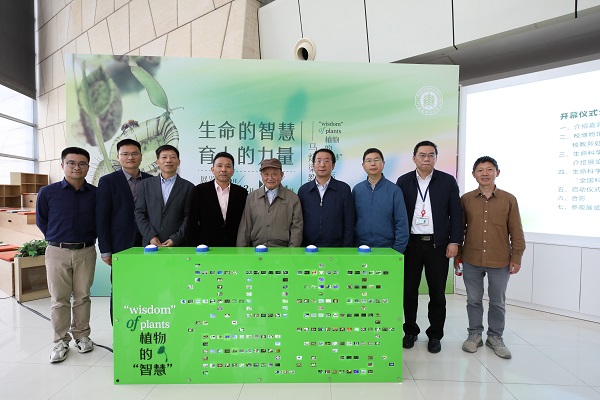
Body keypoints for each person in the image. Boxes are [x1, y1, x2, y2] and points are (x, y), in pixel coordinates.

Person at [396, 140, 462, 353]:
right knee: (409, 292)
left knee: (437, 293)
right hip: (410, 245)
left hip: (438, 245)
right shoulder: (403, 181)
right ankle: (410, 331)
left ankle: (435, 334)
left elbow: (456, 214)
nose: (426, 159)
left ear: (435, 158)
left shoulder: (447, 181)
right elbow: (397, 214)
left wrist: (454, 241)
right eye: (422, 155)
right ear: (414, 158)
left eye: (431, 155)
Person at [457, 156, 526, 359]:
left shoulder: (509, 199)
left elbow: (516, 231)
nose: (485, 173)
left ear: (497, 172)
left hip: (500, 260)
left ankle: (495, 337)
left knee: (497, 302)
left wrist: (517, 257)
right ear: (473, 174)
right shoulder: (466, 199)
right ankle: (474, 335)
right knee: (473, 300)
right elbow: (459, 230)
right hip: (471, 258)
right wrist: (458, 256)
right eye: (480, 170)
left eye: (489, 169)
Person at [36, 147, 97, 363]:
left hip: (86, 250)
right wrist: (57, 238)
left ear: (88, 167)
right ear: (62, 165)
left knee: (82, 296)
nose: (76, 167)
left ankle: (82, 335)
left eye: (82, 164)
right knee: (59, 299)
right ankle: (60, 340)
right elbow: (42, 221)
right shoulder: (47, 192)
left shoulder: (95, 193)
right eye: (71, 163)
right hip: (57, 251)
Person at [96, 139, 152, 324]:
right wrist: (105, 250)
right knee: (120, 288)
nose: (130, 157)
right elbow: (102, 218)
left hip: (147, 244)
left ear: (141, 156)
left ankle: (143, 324)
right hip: (120, 245)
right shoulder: (108, 181)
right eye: (125, 154)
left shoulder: (151, 180)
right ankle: (119, 329)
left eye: (134, 153)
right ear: (118, 157)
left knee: (146, 286)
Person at [135, 145, 193, 247]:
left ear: (178, 162)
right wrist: (151, 236)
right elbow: (140, 213)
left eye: (173, 157)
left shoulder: (188, 187)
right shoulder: (145, 185)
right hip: (151, 244)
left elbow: (189, 217)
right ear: (157, 162)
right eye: (164, 157)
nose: (168, 160)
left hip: (179, 245)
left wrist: (176, 238)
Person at [185, 152, 248, 246]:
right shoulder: (199, 191)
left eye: (228, 166)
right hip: (206, 247)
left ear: (233, 171)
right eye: (219, 166)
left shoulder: (241, 193)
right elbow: (191, 221)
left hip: (234, 246)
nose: (223, 170)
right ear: (212, 169)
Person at [352, 148, 409, 254]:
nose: (373, 164)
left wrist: (398, 249)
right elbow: (351, 220)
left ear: (383, 163)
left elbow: (401, 222)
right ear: (363, 165)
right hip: (360, 247)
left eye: (377, 160)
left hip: (388, 248)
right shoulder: (357, 190)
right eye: (369, 160)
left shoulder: (394, 190)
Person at [236, 158, 303, 247]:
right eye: (266, 174)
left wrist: (292, 252)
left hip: (283, 251)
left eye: (274, 174)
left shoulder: (293, 198)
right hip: (256, 250)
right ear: (261, 175)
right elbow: (245, 227)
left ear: (282, 175)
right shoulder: (251, 197)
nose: (270, 178)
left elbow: (297, 228)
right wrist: (242, 252)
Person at [297, 148, 355, 247]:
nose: (322, 165)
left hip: (336, 247)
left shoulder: (343, 189)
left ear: (333, 165)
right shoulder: (304, 190)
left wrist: (346, 247)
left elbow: (349, 221)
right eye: (318, 161)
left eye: (327, 161)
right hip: (309, 247)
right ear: (313, 165)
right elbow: (298, 221)